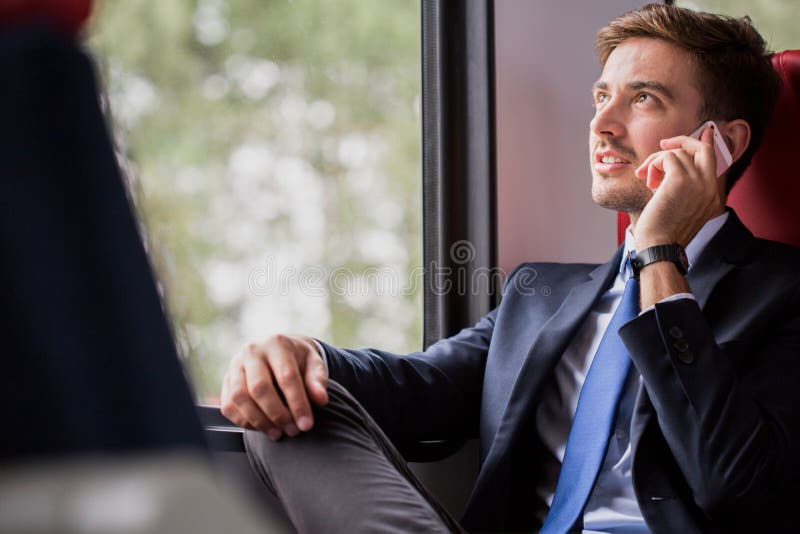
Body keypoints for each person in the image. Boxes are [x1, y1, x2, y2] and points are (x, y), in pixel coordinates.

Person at [220, 4, 799, 532]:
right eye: (602, 96)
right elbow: (420, 385)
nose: (603, 123)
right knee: (291, 411)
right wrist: (299, 358)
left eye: (643, 98)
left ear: (719, 142)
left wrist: (657, 256)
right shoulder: (539, 292)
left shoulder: (785, 292)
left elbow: (738, 488)